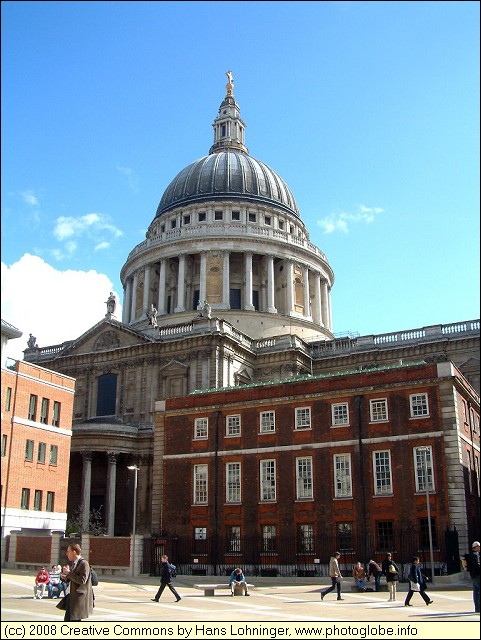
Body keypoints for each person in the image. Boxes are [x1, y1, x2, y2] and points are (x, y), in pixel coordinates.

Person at [59, 543, 94, 622]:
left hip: (78, 598)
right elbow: (74, 578)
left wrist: (69, 573)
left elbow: (82, 580)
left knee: (74, 620)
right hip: (71, 596)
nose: (67, 554)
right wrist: (65, 577)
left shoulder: (83, 563)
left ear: (74, 552)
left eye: (68, 551)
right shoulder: (75, 563)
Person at [465, 540, 480, 613]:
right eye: (479, 546)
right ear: (476, 547)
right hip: (478, 575)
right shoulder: (476, 555)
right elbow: (478, 565)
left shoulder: (469, 555)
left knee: (475, 592)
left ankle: (477, 608)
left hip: (473, 575)